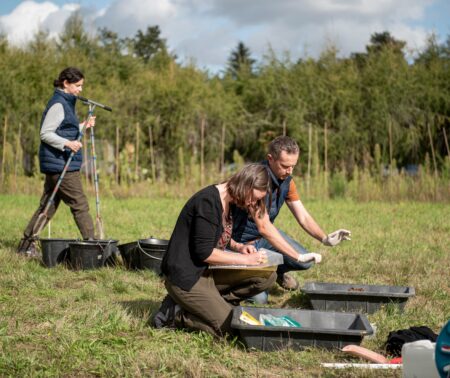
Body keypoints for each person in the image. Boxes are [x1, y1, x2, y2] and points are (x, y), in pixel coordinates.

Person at [153, 164, 322, 338]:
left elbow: (217, 234)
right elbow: (204, 253)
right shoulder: (208, 202)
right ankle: (175, 315)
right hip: (186, 278)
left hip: (206, 272)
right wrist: (246, 260)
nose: (252, 203)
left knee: (266, 276)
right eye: (253, 198)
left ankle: (212, 305)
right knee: (234, 329)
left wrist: (238, 247)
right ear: (245, 185)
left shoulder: (231, 201)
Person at [232, 136, 351, 295]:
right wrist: (297, 256)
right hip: (240, 245)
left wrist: (325, 239)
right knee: (258, 300)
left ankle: (277, 271)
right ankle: (261, 272)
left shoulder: (287, 181)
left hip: (265, 239)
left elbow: (303, 216)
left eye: (293, 166)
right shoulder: (254, 180)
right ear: (270, 159)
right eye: (285, 166)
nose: (289, 171)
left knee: (305, 264)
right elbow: (264, 227)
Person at [17, 67, 96, 256]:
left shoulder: (66, 103)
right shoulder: (59, 104)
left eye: (81, 86)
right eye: (78, 86)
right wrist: (68, 143)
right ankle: (93, 246)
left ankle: (26, 245)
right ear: (66, 83)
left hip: (58, 163)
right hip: (61, 165)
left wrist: (81, 126)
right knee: (80, 204)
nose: (80, 90)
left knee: (48, 206)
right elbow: (45, 133)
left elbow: (63, 128)